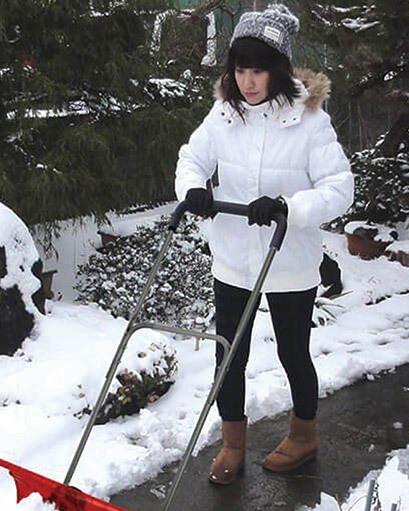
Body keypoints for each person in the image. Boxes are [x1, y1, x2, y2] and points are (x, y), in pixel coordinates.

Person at [174, 3, 354, 484]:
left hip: (289, 258)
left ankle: (304, 435)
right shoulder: (223, 114)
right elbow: (191, 157)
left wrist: (288, 208)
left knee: (294, 352)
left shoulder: (309, 120)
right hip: (233, 258)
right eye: (240, 69)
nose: (249, 80)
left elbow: (340, 187)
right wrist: (193, 188)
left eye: (258, 69)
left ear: (278, 69)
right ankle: (233, 444)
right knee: (228, 354)